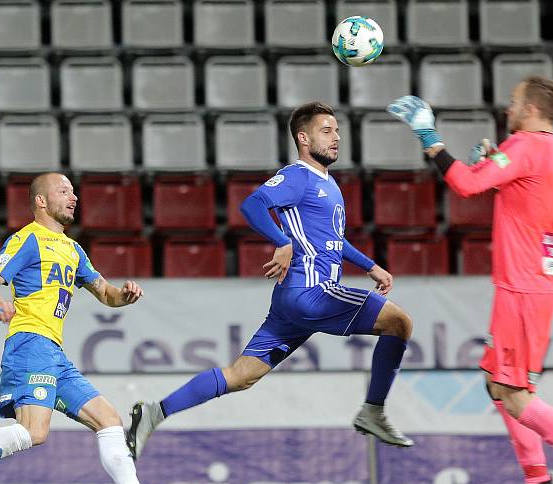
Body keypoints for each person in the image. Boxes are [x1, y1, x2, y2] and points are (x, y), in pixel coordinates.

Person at [387, 78, 553, 484]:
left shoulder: (523, 145)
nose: (508, 108)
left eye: (515, 101)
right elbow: (526, 192)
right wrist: (495, 168)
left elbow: (464, 184)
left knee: (516, 394)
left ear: (532, 108)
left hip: (521, 285)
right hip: (536, 278)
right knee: (496, 384)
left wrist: (429, 136)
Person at [126, 102, 414, 460]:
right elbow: (252, 205)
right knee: (399, 322)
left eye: (337, 130)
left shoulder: (327, 183)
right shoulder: (297, 176)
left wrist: (369, 265)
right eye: (327, 131)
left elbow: (332, 240)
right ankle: (373, 411)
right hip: (313, 293)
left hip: (292, 303)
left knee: (241, 375)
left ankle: (154, 413)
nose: (337, 137)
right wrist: (281, 242)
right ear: (303, 138)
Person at [0, 173, 184, 484]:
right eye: (63, 191)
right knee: (35, 431)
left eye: (74, 191)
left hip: (53, 352)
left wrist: (124, 295)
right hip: (31, 343)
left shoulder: (74, 250)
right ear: (41, 201)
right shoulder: (28, 239)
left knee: (108, 419)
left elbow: (106, 293)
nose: (73, 197)